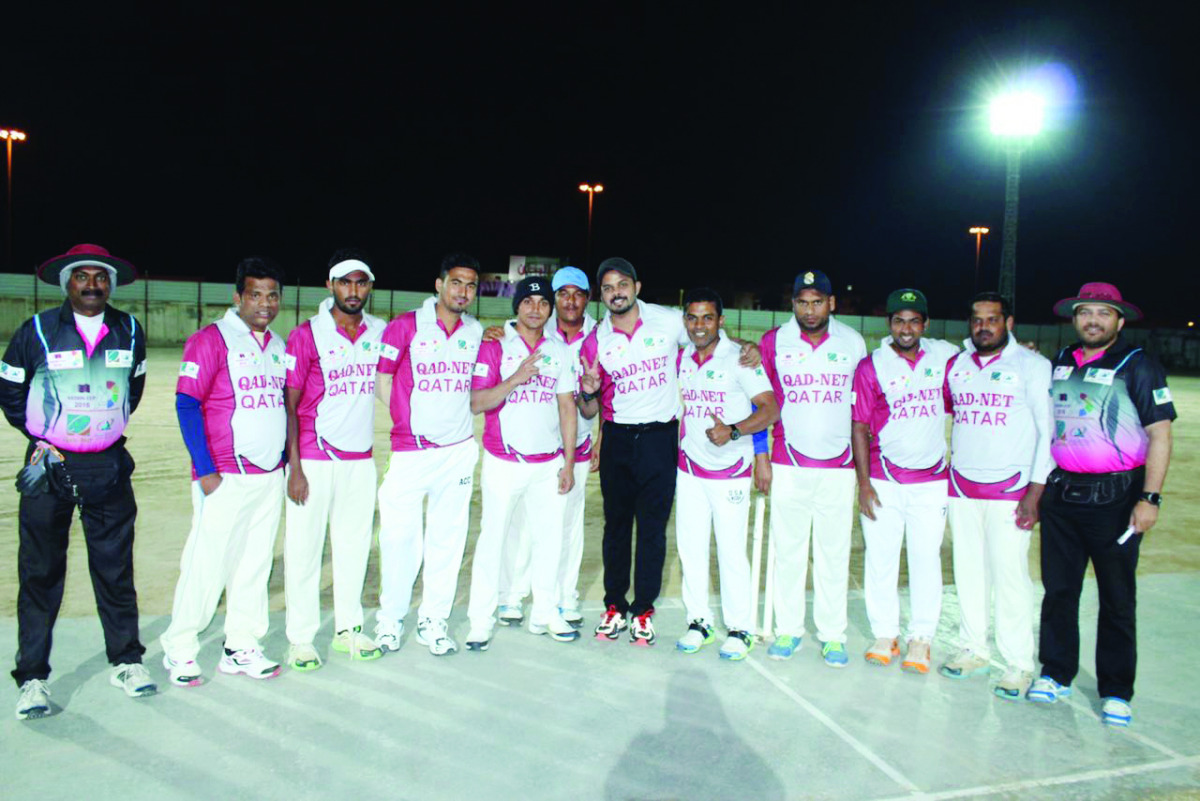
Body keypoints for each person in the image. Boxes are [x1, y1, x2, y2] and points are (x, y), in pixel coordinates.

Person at [2, 244, 154, 719]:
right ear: (67, 283)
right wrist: (44, 436)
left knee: (115, 569)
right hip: (49, 466)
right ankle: (32, 678)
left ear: (111, 284)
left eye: (101, 277)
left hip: (106, 467)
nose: (92, 285)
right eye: (82, 277)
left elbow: (135, 386)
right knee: (41, 573)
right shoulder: (38, 331)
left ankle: (127, 661)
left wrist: (101, 431)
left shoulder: (129, 330)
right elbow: (10, 389)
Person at [579, 257, 758, 646]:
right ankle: (614, 605)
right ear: (602, 295)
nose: (617, 293)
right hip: (618, 439)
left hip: (660, 439)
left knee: (653, 530)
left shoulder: (668, 320)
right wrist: (588, 391)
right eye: (608, 288)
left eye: (622, 284)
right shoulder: (595, 339)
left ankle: (643, 609)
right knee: (615, 527)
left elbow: (707, 333)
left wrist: (749, 346)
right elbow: (588, 408)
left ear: (637, 287)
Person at [1028, 283, 1175, 728]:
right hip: (1062, 496)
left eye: (1103, 313)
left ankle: (1116, 690)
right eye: (1085, 312)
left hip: (1116, 500)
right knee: (1059, 592)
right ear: (1074, 318)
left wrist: (1149, 498)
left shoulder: (1139, 365)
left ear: (1119, 321)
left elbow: (1161, 435)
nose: (1093, 320)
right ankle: (1056, 673)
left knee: (1116, 598)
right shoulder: (1058, 362)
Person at [161, 256, 288, 686]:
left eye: (272, 295)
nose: (264, 303)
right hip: (224, 476)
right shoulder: (210, 339)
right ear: (238, 297)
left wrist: (283, 465)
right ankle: (179, 648)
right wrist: (205, 470)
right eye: (255, 294)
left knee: (254, 565)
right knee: (207, 563)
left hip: (269, 475)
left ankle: (241, 646)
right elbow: (186, 404)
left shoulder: (277, 345)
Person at [941, 292, 1053, 700]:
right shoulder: (957, 365)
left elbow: (1047, 431)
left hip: (1011, 491)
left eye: (992, 319)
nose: (983, 326)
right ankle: (974, 648)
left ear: (1008, 322)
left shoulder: (1033, 366)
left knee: (1010, 579)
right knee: (969, 573)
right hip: (962, 487)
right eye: (976, 320)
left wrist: (1036, 491)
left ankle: (1019, 663)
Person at [282, 250, 387, 671]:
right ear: (330, 285)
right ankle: (301, 639)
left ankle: (349, 629)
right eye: (346, 282)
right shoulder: (306, 335)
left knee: (354, 548)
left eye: (362, 283)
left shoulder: (380, 330)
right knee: (304, 553)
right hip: (313, 459)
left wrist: (494, 332)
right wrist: (295, 467)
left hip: (359, 461)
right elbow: (288, 405)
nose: (354, 291)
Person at [374, 254, 482, 656]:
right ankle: (390, 620)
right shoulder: (404, 326)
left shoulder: (475, 332)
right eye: (456, 282)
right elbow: (382, 378)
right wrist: (405, 418)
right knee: (400, 540)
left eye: (471, 285)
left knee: (448, 541)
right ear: (439, 284)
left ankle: (433, 621)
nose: (463, 292)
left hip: (456, 453)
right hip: (410, 454)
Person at [464, 276, 579, 650]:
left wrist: (568, 461)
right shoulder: (496, 344)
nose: (535, 309)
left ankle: (545, 613)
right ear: (517, 306)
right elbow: (478, 403)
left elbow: (566, 406)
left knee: (550, 542)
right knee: (492, 541)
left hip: (548, 464)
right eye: (528, 302)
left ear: (550, 309)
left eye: (543, 303)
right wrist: (515, 378)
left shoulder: (559, 350)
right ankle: (480, 619)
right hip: (504, 460)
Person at [758, 270, 866, 667]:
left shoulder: (852, 343)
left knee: (833, 554)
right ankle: (788, 629)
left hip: (838, 468)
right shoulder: (775, 341)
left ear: (831, 303)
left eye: (817, 301)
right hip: (788, 462)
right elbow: (759, 402)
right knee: (788, 552)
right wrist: (761, 456)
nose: (809, 309)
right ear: (793, 305)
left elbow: (860, 410)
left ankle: (833, 634)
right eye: (802, 302)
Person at [851, 288, 958, 674]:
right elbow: (860, 426)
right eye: (899, 320)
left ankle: (921, 637)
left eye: (914, 321)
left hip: (930, 481)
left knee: (925, 560)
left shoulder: (945, 357)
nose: (906, 328)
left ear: (925, 324)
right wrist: (864, 485)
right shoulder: (872, 365)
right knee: (880, 559)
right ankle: (885, 633)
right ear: (889, 324)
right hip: (883, 479)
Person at [673, 289, 778, 661]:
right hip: (689, 470)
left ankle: (740, 627)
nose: (699, 326)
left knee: (732, 552)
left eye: (707, 318)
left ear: (720, 321)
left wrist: (733, 430)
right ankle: (698, 620)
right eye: (693, 318)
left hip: (730, 471)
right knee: (691, 550)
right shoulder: (682, 356)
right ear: (685, 321)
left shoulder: (740, 359)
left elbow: (770, 409)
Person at [495, 266, 598, 628]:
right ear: (553, 300)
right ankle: (512, 595)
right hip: (536, 447)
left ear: (587, 297)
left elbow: (603, 395)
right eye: (563, 293)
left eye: (578, 293)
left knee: (566, 527)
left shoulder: (599, 336)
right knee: (520, 526)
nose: (570, 300)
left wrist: (600, 438)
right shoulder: (536, 328)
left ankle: (563, 598)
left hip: (578, 445)